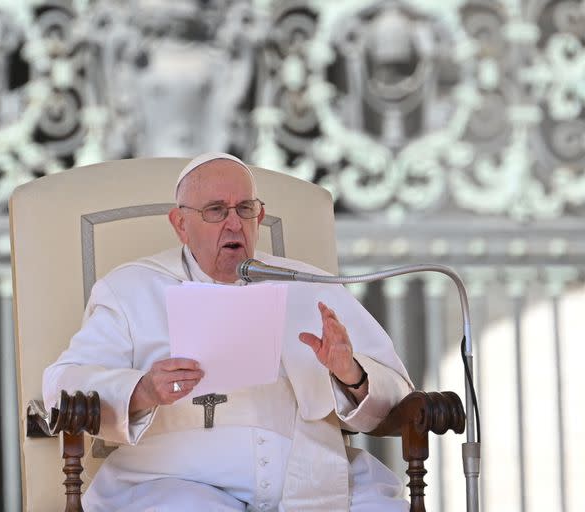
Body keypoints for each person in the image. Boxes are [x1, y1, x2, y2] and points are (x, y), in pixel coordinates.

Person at [43, 152, 413, 511]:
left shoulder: (309, 286)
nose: (234, 223)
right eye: (216, 210)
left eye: (245, 209)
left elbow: (398, 393)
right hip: (173, 479)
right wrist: (142, 389)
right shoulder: (130, 290)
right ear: (180, 224)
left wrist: (351, 374)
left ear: (259, 216)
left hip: (307, 476)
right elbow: (63, 384)